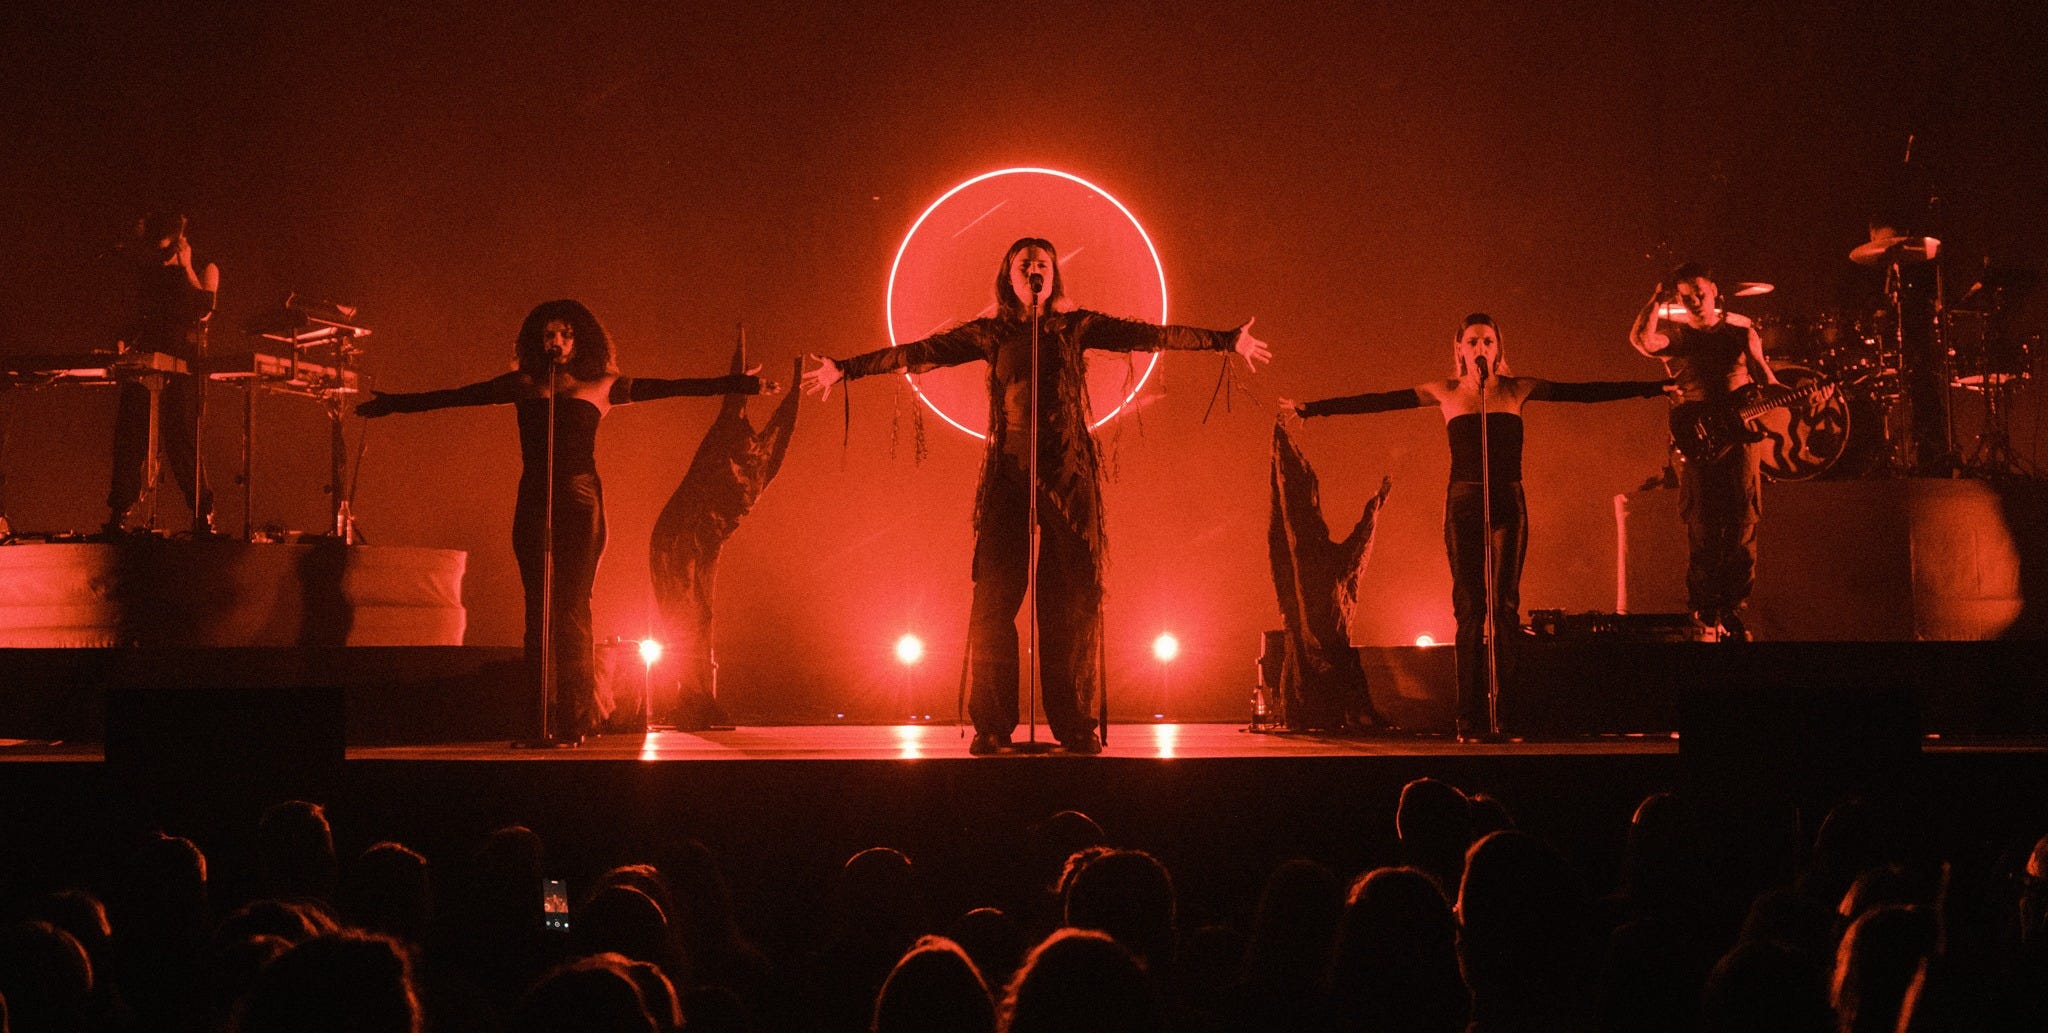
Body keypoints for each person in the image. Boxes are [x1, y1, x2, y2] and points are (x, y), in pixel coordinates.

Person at [802, 237, 1271, 756]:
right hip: (1009, 471)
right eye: (1023, 262)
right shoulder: (992, 332)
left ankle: (1075, 724)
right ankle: (992, 724)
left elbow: (1151, 335)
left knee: (1070, 601)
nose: (1033, 268)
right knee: (993, 598)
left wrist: (1226, 340)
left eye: (1041, 262)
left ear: (1052, 275)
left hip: (1066, 471)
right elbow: (921, 352)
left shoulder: (1075, 327)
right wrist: (846, 367)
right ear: (1009, 275)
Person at [356, 300, 769, 744]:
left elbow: (671, 388)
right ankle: (538, 720)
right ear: (537, 340)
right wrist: (394, 404)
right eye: (549, 334)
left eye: (566, 335)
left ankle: (575, 719)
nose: (557, 342)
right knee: (538, 609)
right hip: (535, 500)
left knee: (572, 608)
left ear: (580, 340)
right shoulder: (524, 384)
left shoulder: (602, 385)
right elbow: (456, 396)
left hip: (581, 501)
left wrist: (736, 384)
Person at [1287, 313, 1668, 740]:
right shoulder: (1445, 392)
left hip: (1508, 502)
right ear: (1460, 349)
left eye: (1488, 341)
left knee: (1505, 608)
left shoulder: (1517, 389)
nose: (1480, 348)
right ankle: (1467, 716)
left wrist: (1652, 388)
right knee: (1470, 609)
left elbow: (1583, 393)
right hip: (1464, 504)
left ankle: (1507, 713)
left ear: (1498, 347)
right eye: (1473, 341)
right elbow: (1381, 400)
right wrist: (1315, 409)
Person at [1628, 263, 1782, 641]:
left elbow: (1767, 380)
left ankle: (1733, 608)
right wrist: (1656, 299)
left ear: (1714, 290)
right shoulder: (1678, 338)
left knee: (1743, 520)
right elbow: (1642, 341)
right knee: (1703, 524)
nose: (1694, 300)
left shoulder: (1741, 332)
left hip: (1741, 438)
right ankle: (1704, 607)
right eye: (1686, 296)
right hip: (1698, 439)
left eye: (1699, 292)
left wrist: (1805, 394)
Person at [108, 211, 217, 534]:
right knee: (130, 435)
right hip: (147, 359)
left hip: (183, 364)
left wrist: (186, 268)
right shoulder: (151, 271)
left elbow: (204, 311)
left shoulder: (205, 267)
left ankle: (203, 514)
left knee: (181, 439)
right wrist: (124, 340)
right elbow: (141, 316)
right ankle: (119, 511)